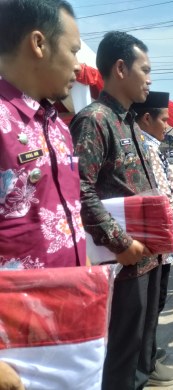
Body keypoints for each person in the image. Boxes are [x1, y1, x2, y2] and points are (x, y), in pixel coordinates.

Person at [70, 31, 173, 389]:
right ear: (120, 68)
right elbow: (79, 188)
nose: (150, 79)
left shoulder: (129, 121)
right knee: (118, 357)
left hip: (145, 257)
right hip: (120, 262)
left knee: (136, 353)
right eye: (144, 69)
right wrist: (120, 242)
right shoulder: (95, 120)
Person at [0, 0, 86, 270]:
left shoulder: (57, 125)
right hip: (17, 308)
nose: (78, 66)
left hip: (71, 297)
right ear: (38, 43)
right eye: (73, 51)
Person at [133, 91, 173, 375]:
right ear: (146, 118)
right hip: (155, 236)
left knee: (152, 304)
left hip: (153, 235)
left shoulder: (147, 144)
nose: (168, 128)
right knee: (151, 304)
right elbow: (164, 194)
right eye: (165, 121)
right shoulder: (147, 147)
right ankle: (146, 365)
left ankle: (149, 354)